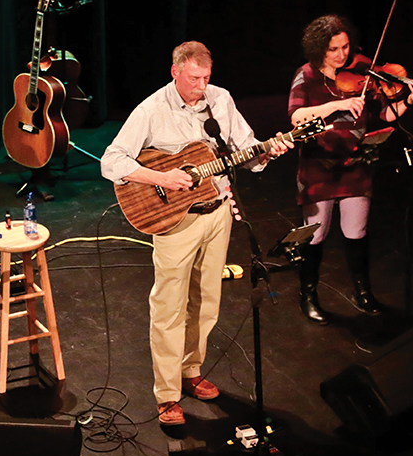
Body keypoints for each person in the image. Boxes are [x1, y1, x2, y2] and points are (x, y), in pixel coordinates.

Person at [101, 41, 291, 425]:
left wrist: (268, 151)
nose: (200, 87)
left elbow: (246, 149)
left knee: (207, 300)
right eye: (193, 79)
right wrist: (161, 177)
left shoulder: (221, 99)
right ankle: (167, 395)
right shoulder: (153, 109)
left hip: (217, 212)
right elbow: (111, 160)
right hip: (175, 220)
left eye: (205, 78)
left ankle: (191, 371)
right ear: (175, 72)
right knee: (169, 306)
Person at [288, 15, 413, 324]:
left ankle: (363, 292)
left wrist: (410, 100)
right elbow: (296, 117)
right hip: (319, 165)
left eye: (345, 47)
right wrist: (335, 106)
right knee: (315, 235)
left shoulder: (363, 75)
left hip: (355, 164)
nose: (342, 55)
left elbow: (388, 114)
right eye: (333, 49)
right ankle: (308, 295)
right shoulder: (307, 76)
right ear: (318, 50)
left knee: (357, 232)